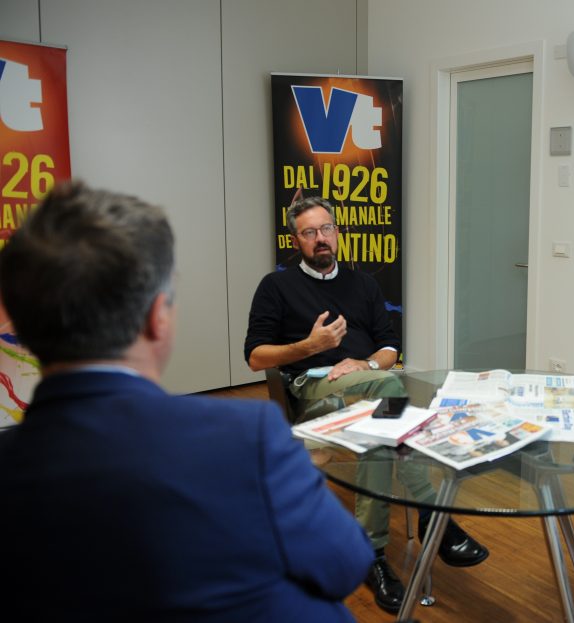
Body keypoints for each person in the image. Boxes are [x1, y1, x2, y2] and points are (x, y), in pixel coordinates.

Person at [0, 181, 373, 623]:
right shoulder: (246, 437)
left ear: (17, 325)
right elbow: (345, 564)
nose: (320, 238)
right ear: (159, 317)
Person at [244, 196, 488, 613]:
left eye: (326, 229)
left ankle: (371, 555)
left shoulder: (364, 284)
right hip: (315, 392)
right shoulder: (276, 286)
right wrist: (309, 346)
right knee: (387, 394)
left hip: (371, 386)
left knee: (380, 426)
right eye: (309, 232)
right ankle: (435, 516)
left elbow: (391, 346)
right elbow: (255, 357)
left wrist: (368, 362)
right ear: (295, 239)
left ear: (337, 233)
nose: (320, 239)